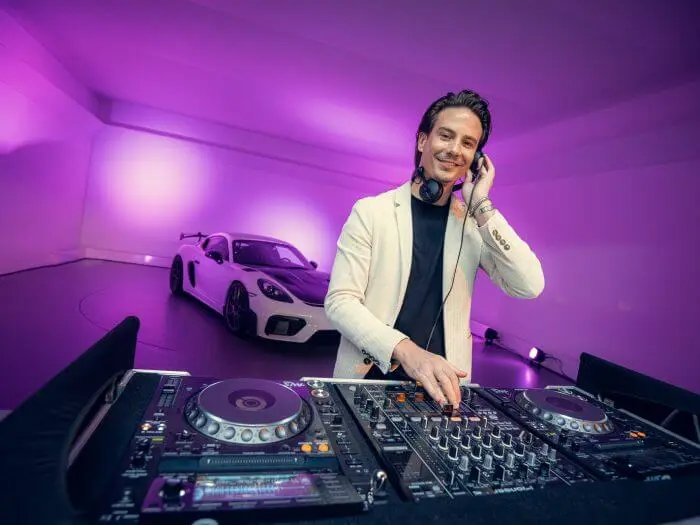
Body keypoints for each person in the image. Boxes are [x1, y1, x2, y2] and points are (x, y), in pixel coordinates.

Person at [324, 89, 544, 408]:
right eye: (446, 135)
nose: (454, 150)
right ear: (422, 141)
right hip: (366, 383)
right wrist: (407, 350)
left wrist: (480, 204)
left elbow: (529, 285)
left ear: (476, 160)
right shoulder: (371, 212)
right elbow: (340, 302)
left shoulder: (473, 225)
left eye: (468, 143)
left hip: (442, 393)